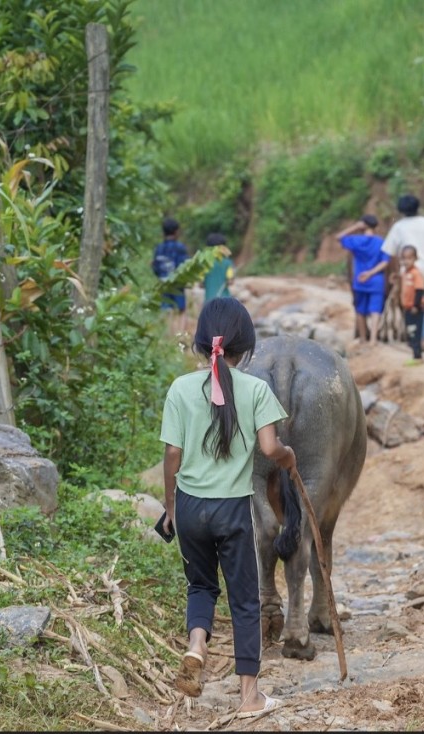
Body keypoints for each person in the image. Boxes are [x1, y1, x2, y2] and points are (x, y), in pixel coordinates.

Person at [159, 297, 296, 717]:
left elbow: (171, 456)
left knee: (200, 586)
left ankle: (197, 645)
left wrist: (169, 506)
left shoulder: (181, 388)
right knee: (244, 600)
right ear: (247, 347)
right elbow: (271, 448)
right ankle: (249, 697)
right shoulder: (256, 389)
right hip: (232, 512)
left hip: (190, 508)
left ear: (202, 343)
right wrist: (288, 458)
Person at [359, 194, 424, 353]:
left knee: (411, 305)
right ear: (418, 207)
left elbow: (389, 252)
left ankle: (420, 338)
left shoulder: (398, 227)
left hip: (408, 275)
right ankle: (422, 336)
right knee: (423, 304)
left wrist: (395, 272)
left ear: (401, 210)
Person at [335, 214, 389, 348]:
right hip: (376, 280)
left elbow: (339, 237)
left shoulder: (356, 241)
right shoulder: (381, 242)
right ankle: (374, 339)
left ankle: (364, 338)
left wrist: (355, 227)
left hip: (360, 280)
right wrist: (371, 273)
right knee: (375, 310)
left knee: (360, 310)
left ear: (363, 225)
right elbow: (385, 262)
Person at [152, 216, 190, 334]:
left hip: (164, 283)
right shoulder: (180, 248)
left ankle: (168, 335)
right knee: (181, 310)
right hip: (178, 284)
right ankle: (180, 336)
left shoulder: (159, 249)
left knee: (166, 308)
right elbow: (185, 266)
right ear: (176, 231)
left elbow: (155, 267)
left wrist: (161, 276)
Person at [398, 244, 424, 366]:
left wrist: (416, 306)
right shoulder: (404, 273)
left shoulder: (416, 273)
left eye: (409, 258)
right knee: (410, 332)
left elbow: (419, 290)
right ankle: (415, 354)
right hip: (407, 308)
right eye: (404, 258)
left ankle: (417, 356)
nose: (406, 261)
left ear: (415, 258)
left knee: (415, 332)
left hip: (415, 308)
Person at [202, 232, 235, 303]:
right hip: (225, 300)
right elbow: (230, 281)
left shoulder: (204, 263)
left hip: (209, 301)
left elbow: (201, 284)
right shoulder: (228, 262)